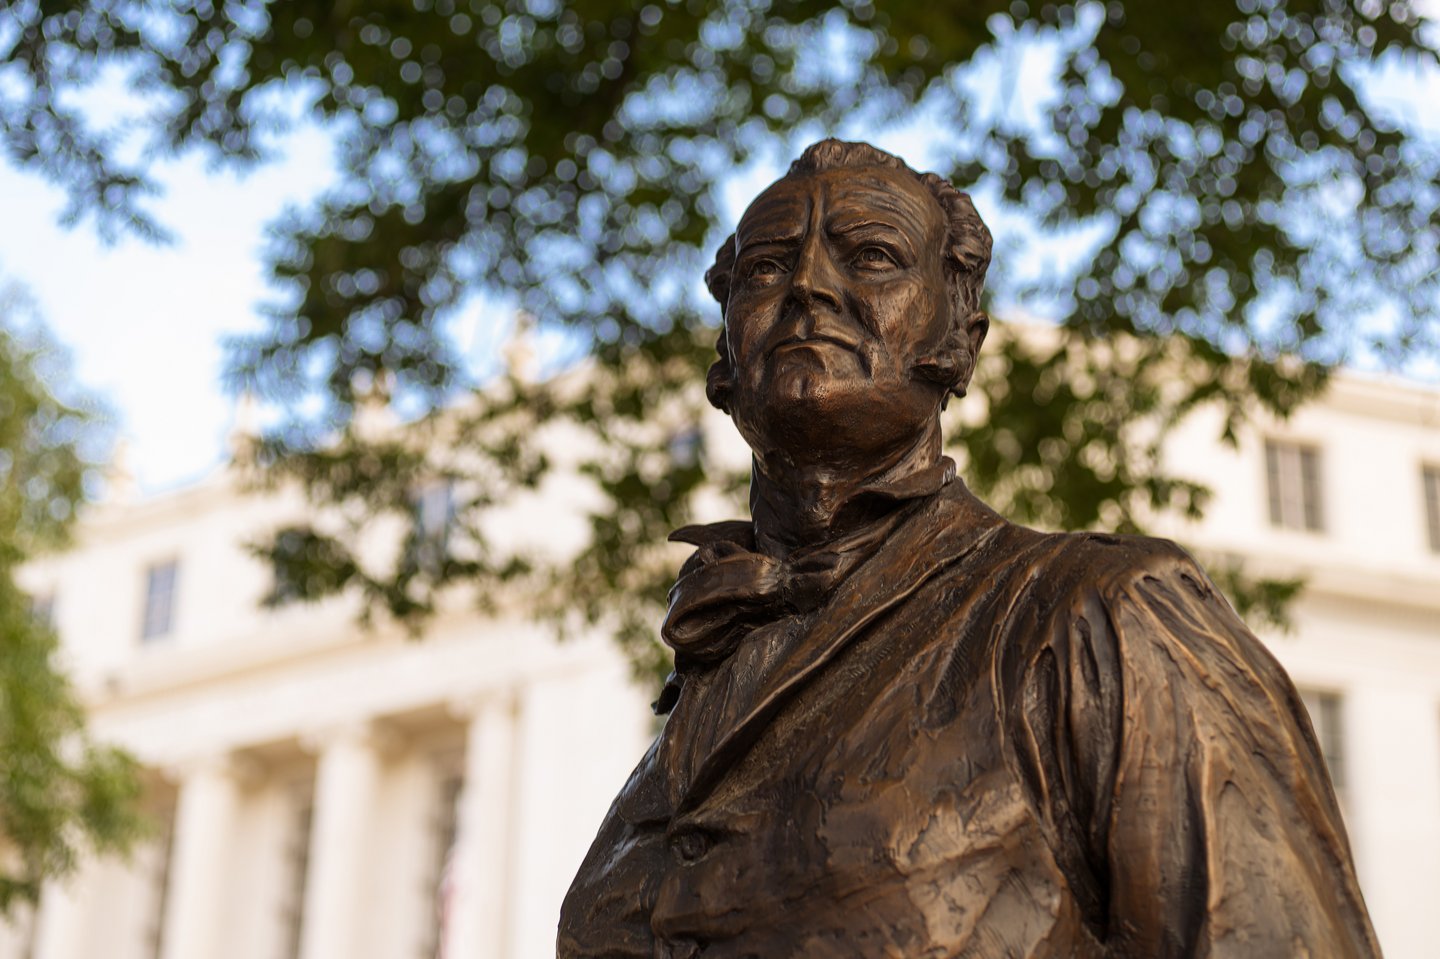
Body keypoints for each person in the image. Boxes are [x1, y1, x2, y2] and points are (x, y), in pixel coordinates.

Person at [557, 139, 1378, 958]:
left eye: (872, 258)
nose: (806, 284)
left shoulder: (1106, 615)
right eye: (766, 269)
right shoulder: (707, 668)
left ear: (959, 338)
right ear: (725, 359)